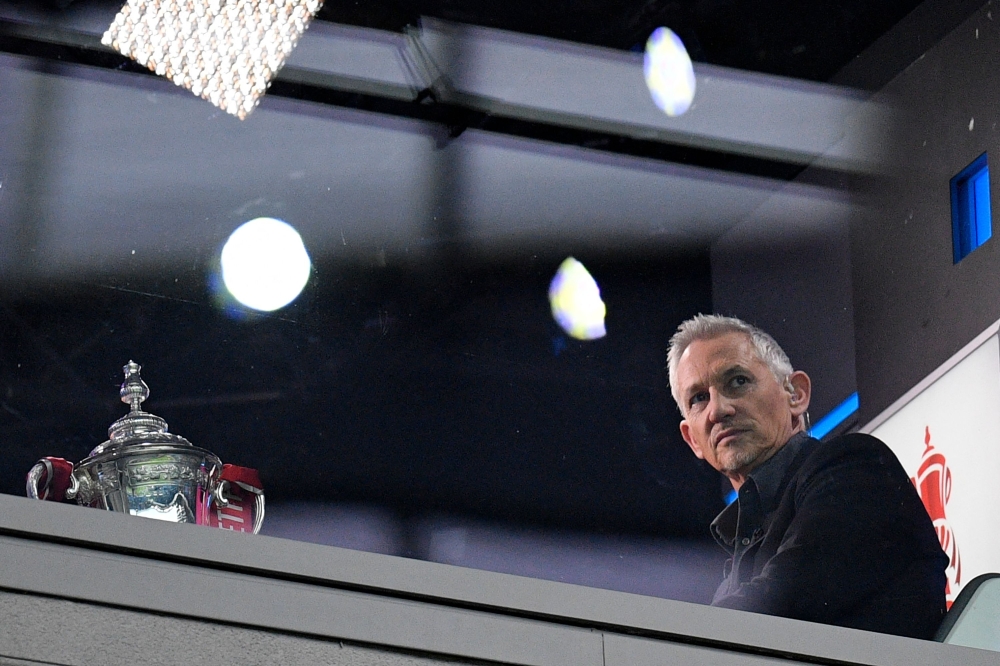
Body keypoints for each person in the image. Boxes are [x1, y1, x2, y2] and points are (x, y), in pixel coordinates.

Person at [667, 314, 948, 640]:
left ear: (796, 394)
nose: (717, 410)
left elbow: (782, 602)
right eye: (699, 398)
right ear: (692, 439)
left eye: (738, 381)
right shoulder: (734, 567)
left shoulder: (855, 467)